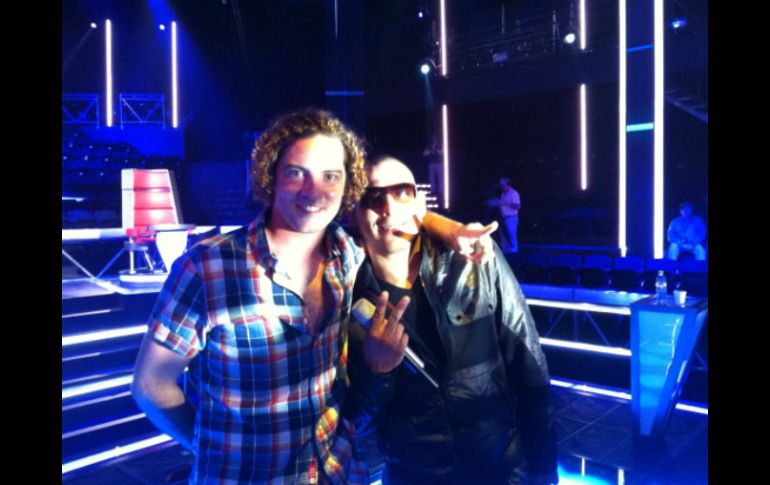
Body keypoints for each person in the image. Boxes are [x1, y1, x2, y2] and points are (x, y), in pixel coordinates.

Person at [131, 108, 497, 484]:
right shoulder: (207, 267)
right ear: (270, 176)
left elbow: (396, 217)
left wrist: (451, 229)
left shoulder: (348, 254)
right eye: (296, 173)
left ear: (347, 187)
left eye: (330, 176)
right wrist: (211, 452)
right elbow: (150, 387)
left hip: (337, 472)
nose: (314, 191)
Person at [344, 156, 559, 485]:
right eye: (373, 197)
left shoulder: (474, 260)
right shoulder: (349, 298)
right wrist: (379, 373)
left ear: (419, 204)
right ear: (353, 212)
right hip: (413, 476)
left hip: (502, 468)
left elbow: (527, 361)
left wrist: (544, 465)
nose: (388, 207)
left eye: (402, 192)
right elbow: (356, 423)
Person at [498, 176, 521, 254]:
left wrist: (506, 203)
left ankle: (513, 256)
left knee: (511, 238)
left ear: (508, 184)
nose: (501, 187)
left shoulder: (513, 193)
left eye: (503, 185)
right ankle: (505, 255)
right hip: (503, 219)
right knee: (504, 239)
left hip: (511, 218)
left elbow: (517, 206)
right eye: (500, 185)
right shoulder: (503, 194)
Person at [422, 138, 443, 203]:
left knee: (440, 177)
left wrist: (437, 150)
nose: (434, 140)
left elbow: (443, 152)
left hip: (439, 163)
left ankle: (440, 190)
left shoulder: (440, 145)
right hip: (431, 163)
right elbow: (424, 154)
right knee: (432, 177)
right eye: (433, 139)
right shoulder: (429, 146)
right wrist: (430, 151)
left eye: (435, 139)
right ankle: (433, 190)